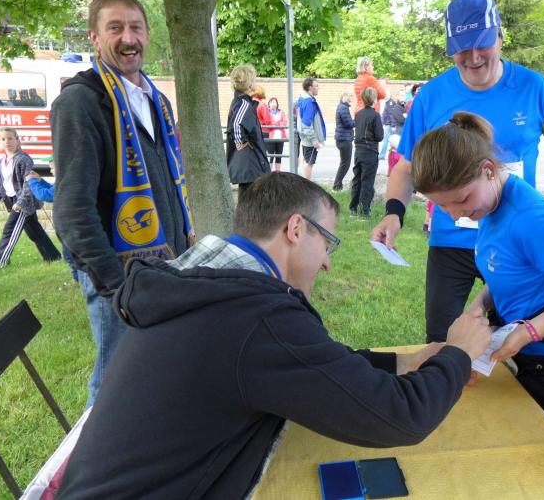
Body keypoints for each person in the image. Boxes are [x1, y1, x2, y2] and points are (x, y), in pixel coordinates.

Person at [55, 172, 492, 499]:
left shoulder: (205, 284)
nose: (327, 263)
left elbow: (308, 362)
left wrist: (401, 362)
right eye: (328, 244)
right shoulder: (255, 317)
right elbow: (402, 416)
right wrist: (457, 354)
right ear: (296, 229)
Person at [372, 0, 544, 343]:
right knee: (442, 340)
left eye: (482, 44)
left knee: (518, 339)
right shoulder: (430, 97)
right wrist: (393, 214)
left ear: (500, 37)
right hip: (451, 240)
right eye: (462, 48)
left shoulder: (537, 89)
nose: (473, 58)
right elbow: (406, 167)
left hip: (514, 238)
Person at [411, 112, 544, 433]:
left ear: (488, 170)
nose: (454, 214)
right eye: (442, 206)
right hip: (531, 354)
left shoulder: (531, 220)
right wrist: (478, 307)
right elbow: (508, 270)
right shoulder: (489, 203)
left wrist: (530, 331)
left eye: (460, 200)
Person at [52, 0, 195, 407]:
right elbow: (72, 212)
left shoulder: (156, 101)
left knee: (152, 372)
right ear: (94, 38)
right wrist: (117, 286)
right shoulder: (81, 102)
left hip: (164, 265)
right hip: (119, 275)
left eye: (136, 27)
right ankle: (97, 448)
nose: (128, 38)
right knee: (116, 383)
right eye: (115, 28)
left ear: (147, 35)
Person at [0, 128, 61, 267]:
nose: (7, 141)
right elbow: (2, 185)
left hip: (24, 202)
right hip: (11, 201)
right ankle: (53, 256)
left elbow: (28, 182)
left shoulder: (23, 159)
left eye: (10, 138)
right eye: (3, 139)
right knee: (34, 231)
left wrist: (21, 202)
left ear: (17, 140)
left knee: (10, 230)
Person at [24, 155, 77, 280]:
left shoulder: (65, 183)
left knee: (70, 255)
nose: (51, 171)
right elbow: (52, 189)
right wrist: (40, 180)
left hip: (70, 227)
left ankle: (77, 278)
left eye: (52, 168)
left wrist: (31, 181)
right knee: (69, 253)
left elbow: (45, 194)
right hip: (68, 227)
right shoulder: (65, 180)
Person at [226, 64, 271, 203]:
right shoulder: (243, 103)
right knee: (251, 202)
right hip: (250, 165)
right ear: (249, 83)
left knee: (247, 202)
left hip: (249, 166)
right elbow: (236, 125)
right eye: (254, 79)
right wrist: (241, 142)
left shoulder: (242, 102)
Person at [349, 87, 384, 218]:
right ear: (374, 99)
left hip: (358, 151)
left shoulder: (358, 114)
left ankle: (353, 208)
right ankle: (365, 210)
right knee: (367, 182)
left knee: (357, 180)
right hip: (370, 152)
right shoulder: (375, 115)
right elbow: (379, 136)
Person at [296, 78, 325, 180]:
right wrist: (314, 140)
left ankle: (303, 185)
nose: (318, 88)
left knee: (306, 161)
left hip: (305, 138)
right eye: (316, 86)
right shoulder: (309, 102)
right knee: (309, 163)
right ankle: (305, 186)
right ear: (310, 87)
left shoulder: (303, 99)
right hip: (309, 139)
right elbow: (306, 124)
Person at [333, 91, 355, 191]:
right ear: (346, 97)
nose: (352, 98)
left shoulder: (342, 107)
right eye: (351, 96)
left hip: (343, 139)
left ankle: (338, 185)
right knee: (345, 164)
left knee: (344, 163)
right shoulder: (343, 108)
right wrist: (358, 120)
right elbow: (348, 124)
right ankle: (336, 186)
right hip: (344, 140)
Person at [267, 97, 287, 172]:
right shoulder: (267, 112)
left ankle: (278, 173)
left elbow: (284, 122)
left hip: (281, 137)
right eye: (272, 102)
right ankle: (269, 172)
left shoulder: (281, 112)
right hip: (271, 137)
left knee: (279, 155)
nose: (273, 104)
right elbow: (268, 123)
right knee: (271, 156)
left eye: (275, 102)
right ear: (269, 104)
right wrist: (277, 123)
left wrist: (276, 124)